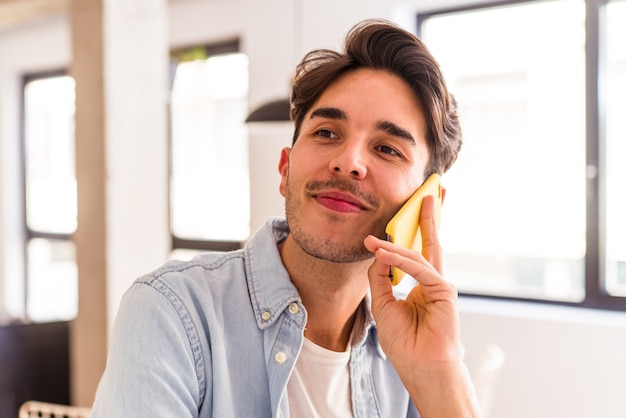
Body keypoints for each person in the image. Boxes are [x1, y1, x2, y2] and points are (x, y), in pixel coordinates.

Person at [90, 18, 479, 417]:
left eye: (387, 149)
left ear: (426, 204)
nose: (348, 162)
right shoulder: (172, 312)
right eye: (327, 133)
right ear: (285, 170)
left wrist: (440, 376)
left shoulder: (417, 341)